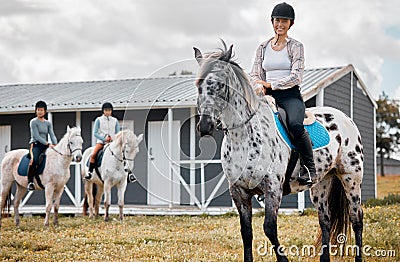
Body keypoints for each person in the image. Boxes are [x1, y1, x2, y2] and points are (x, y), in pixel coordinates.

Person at [250, 2, 315, 186]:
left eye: (284, 21)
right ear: (272, 22)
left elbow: (296, 76)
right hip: (266, 96)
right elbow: (255, 73)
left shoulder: (296, 46)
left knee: (295, 125)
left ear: (291, 24)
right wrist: (259, 85)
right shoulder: (262, 47)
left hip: (290, 96)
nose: (280, 24)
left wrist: (270, 84)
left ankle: (309, 168)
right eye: (277, 20)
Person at [85, 102, 120, 180]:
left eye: (109, 110)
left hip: (112, 143)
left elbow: (118, 132)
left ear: (111, 111)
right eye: (106, 110)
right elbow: (95, 133)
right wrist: (104, 139)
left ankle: (128, 173)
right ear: (103, 111)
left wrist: (113, 138)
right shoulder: (99, 120)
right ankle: (90, 172)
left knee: (122, 153)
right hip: (101, 142)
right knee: (94, 154)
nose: (108, 112)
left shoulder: (115, 120)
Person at [27, 101, 58, 191]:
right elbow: (37, 136)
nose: (40, 112)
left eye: (41, 110)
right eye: (38, 110)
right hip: (36, 145)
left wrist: (55, 144)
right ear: (35, 111)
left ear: (45, 111)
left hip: (46, 145)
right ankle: (30, 182)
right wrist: (48, 144)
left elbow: (52, 134)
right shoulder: (33, 122)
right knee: (34, 160)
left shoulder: (48, 123)